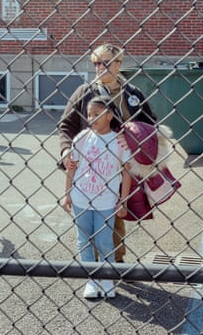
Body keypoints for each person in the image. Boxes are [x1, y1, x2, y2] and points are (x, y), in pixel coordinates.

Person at [59, 43, 157, 263]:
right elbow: (66, 126)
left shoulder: (132, 94)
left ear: (119, 63)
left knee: (114, 214)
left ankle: (115, 262)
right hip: (88, 166)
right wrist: (66, 150)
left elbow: (151, 124)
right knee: (87, 219)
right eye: (95, 63)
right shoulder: (84, 93)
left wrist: (135, 138)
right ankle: (93, 265)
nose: (99, 67)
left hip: (120, 165)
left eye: (105, 62)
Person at [63, 96, 131, 299]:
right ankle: (91, 279)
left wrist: (123, 200)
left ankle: (108, 279)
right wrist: (67, 194)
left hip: (106, 201)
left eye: (96, 114)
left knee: (104, 241)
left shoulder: (119, 141)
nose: (91, 118)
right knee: (84, 239)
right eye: (89, 114)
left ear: (109, 115)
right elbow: (71, 168)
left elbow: (127, 173)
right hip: (81, 197)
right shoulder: (82, 137)